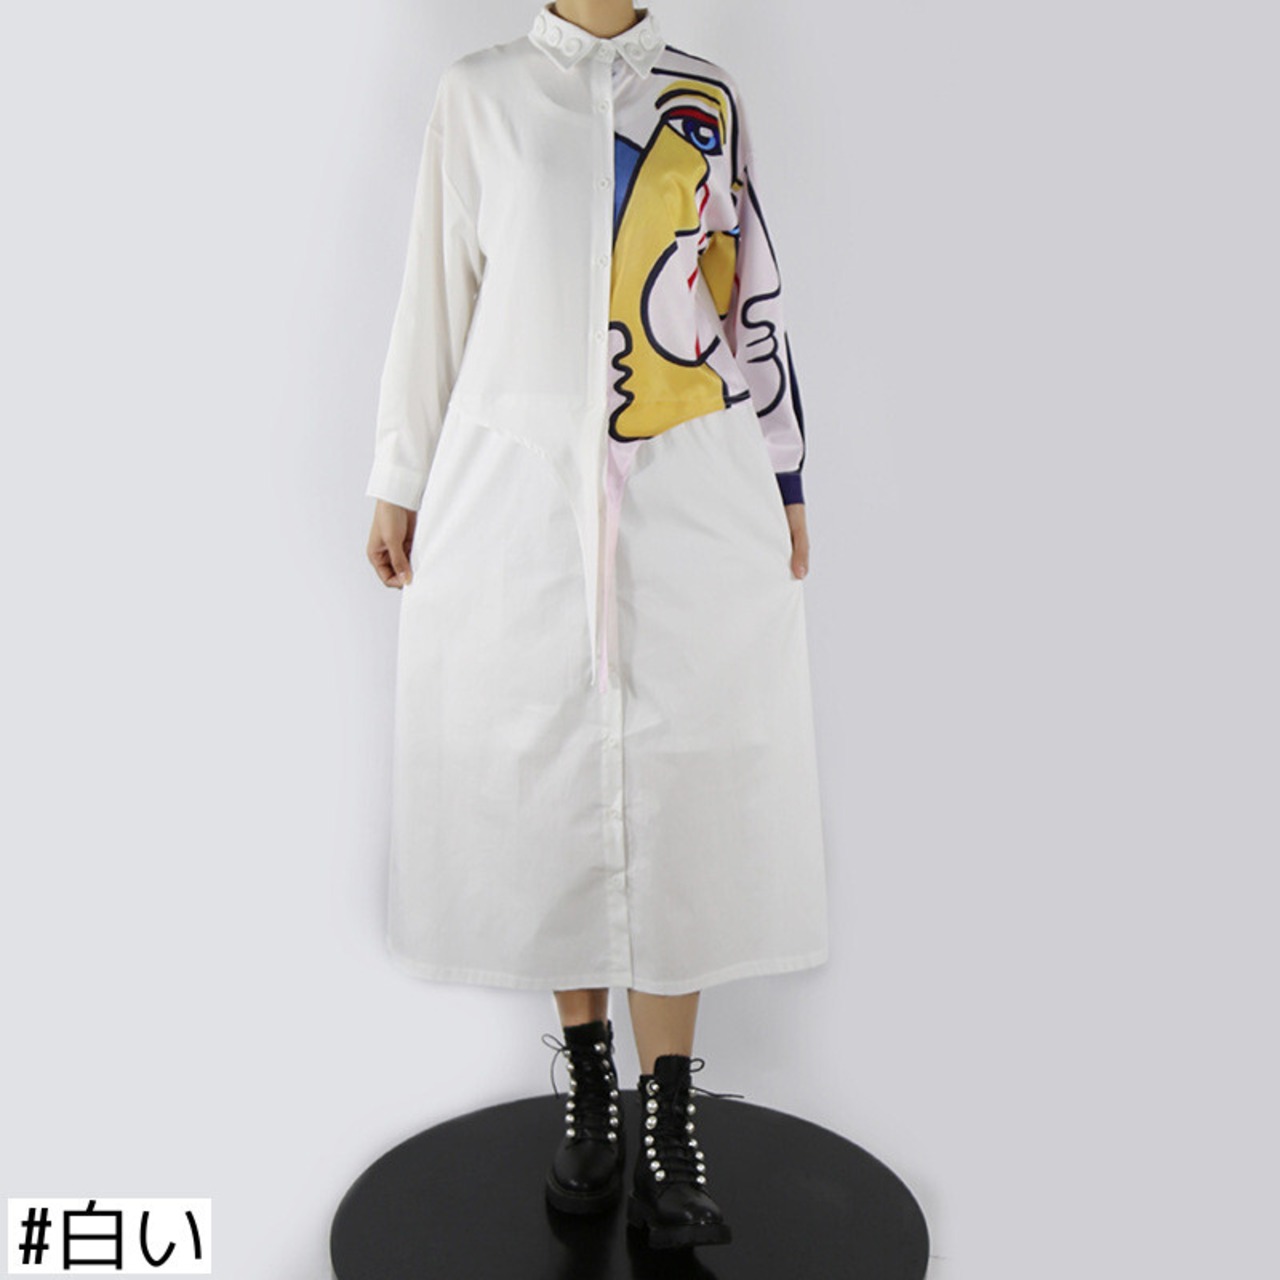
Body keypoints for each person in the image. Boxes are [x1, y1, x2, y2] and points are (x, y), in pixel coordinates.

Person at [364, 0, 829, 1251]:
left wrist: (784, 475)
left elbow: (747, 295)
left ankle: (669, 1114)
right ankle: (586, 1086)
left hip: (690, 480)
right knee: (549, 776)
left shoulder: (701, 97)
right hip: (516, 490)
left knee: (683, 787)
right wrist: (398, 477)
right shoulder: (478, 95)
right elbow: (434, 299)